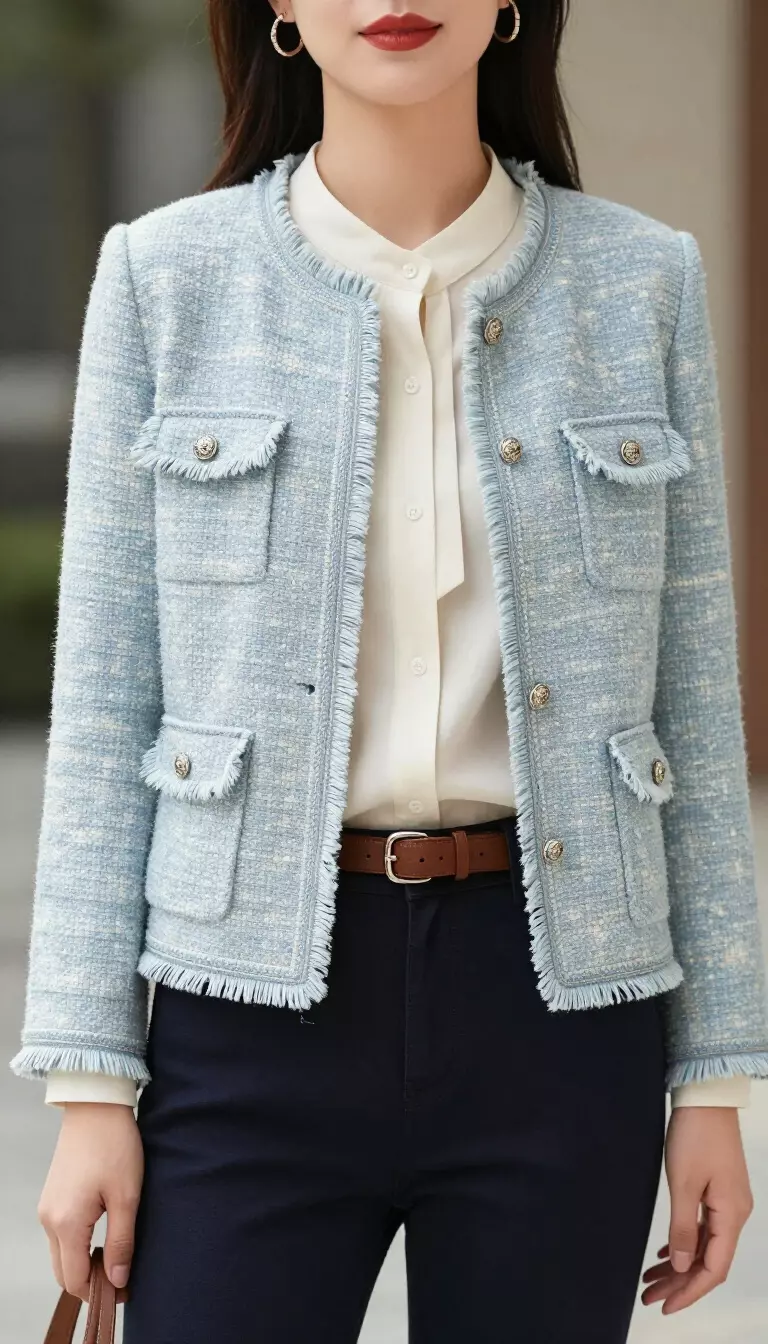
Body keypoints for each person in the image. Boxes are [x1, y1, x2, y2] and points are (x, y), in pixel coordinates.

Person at [10, 2, 768, 1340]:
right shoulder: (165, 277)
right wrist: (88, 1088)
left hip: (559, 1011)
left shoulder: (642, 280)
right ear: (282, 10)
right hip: (246, 1017)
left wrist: (713, 1082)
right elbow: (106, 700)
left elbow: (694, 708)